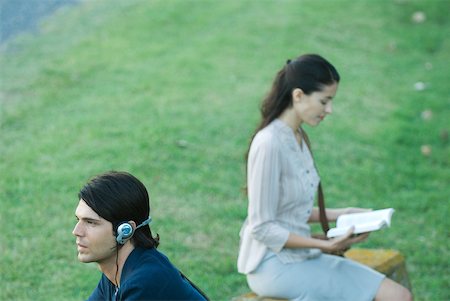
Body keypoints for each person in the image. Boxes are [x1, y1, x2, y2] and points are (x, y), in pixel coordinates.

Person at [237, 54, 412, 301]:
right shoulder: (269, 144)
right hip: (274, 265)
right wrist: (325, 246)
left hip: (304, 255)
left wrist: (344, 214)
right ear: (298, 96)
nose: (329, 110)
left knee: (399, 295)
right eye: (324, 101)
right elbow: (262, 227)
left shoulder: (297, 136)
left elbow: (289, 210)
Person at [73, 171, 208, 300]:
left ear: (125, 231)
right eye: (78, 220)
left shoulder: (144, 282)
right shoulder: (116, 272)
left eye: (91, 222)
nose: (76, 231)